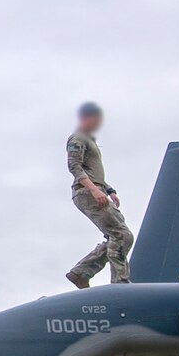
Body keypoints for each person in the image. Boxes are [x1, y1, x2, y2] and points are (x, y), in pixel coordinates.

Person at [65, 102, 134, 288]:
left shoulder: (90, 140)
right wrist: (94, 190)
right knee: (121, 235)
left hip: (97, 190)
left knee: (116, 235)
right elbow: (74, 167)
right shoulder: (77, 138)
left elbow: (94, 172)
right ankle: (120, 282)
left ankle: (80, 273)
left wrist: (109, 190)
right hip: (87, 192)